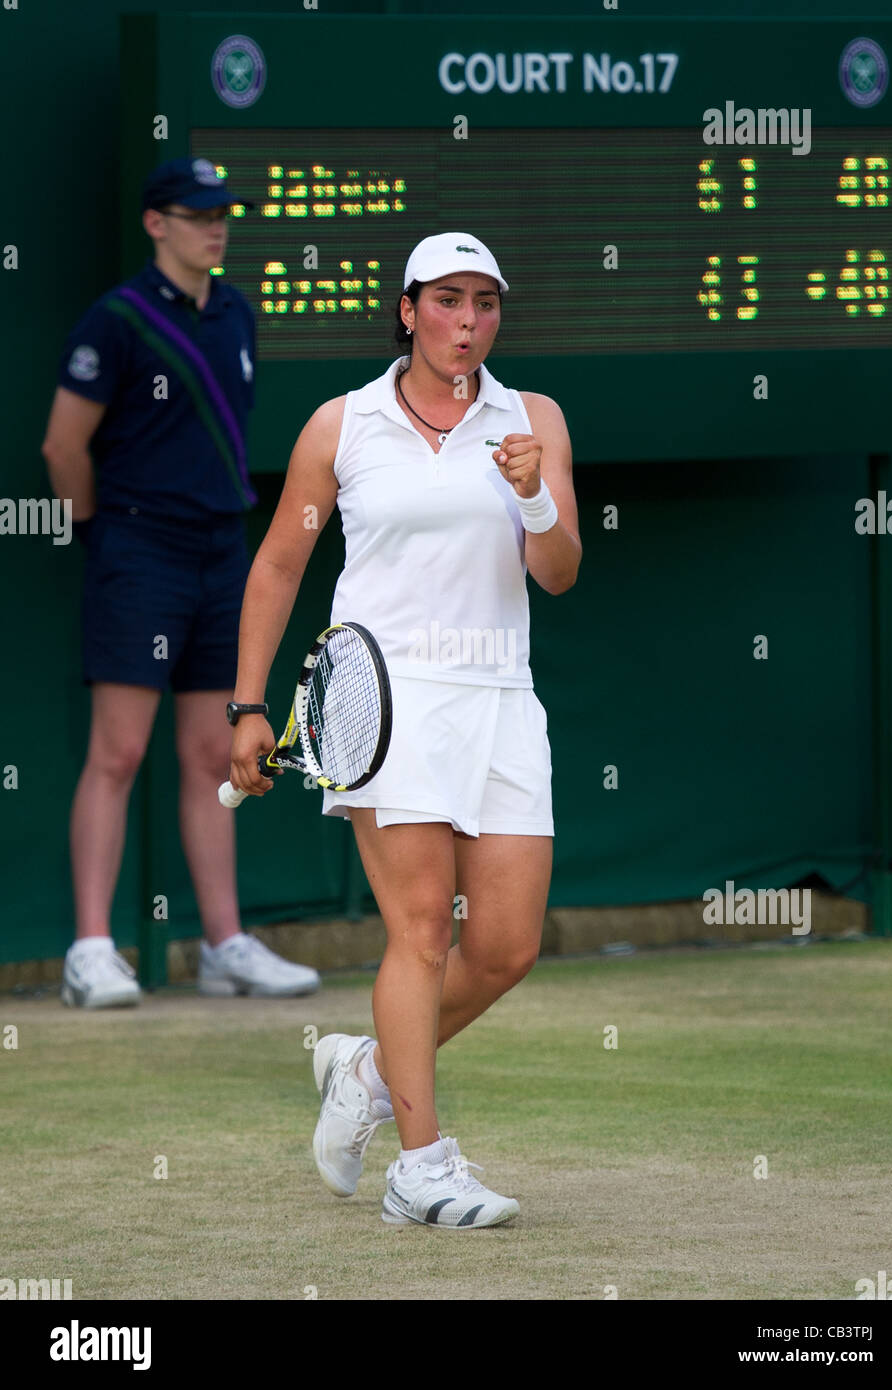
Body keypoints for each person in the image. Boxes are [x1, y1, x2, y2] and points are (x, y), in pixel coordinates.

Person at [228, 232, 581, 1227]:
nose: (467, 322)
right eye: (448, 301)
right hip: (380, 702)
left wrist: (532, 492)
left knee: (505, 947)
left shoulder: (533, 420)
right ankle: (419, 1166)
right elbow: (276, 569)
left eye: (485, 304)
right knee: (421, 928)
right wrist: (247, 703)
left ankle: (367, 1069)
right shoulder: (341, 426)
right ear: (408, 308)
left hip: (501, 699)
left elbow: (557, 571)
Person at [42, 156, 319, 1008]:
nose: (216, 226)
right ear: (156, 223)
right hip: (137, 550)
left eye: (222, 213)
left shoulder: (237, 311)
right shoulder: (116, 322)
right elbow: (62, 447)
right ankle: (91, 950)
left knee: (214, 754)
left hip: (221, 552)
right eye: (198, 214)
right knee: (117, 752)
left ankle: (222, 945)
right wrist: (103, 536)